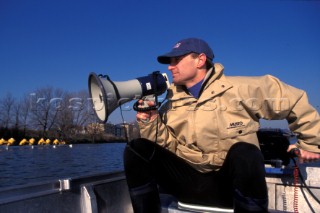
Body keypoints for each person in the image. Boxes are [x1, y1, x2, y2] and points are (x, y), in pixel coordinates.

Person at [123, 38, 320, 212]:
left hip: (231, 187)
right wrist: (151, 122)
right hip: (189, 184)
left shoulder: (242, 89)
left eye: (176, 60)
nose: (170, 67)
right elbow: (166, 148)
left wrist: (310, 144)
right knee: (136, 149)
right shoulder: (169, 104)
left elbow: (293, 100)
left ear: (200, 60)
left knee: (245, 152)